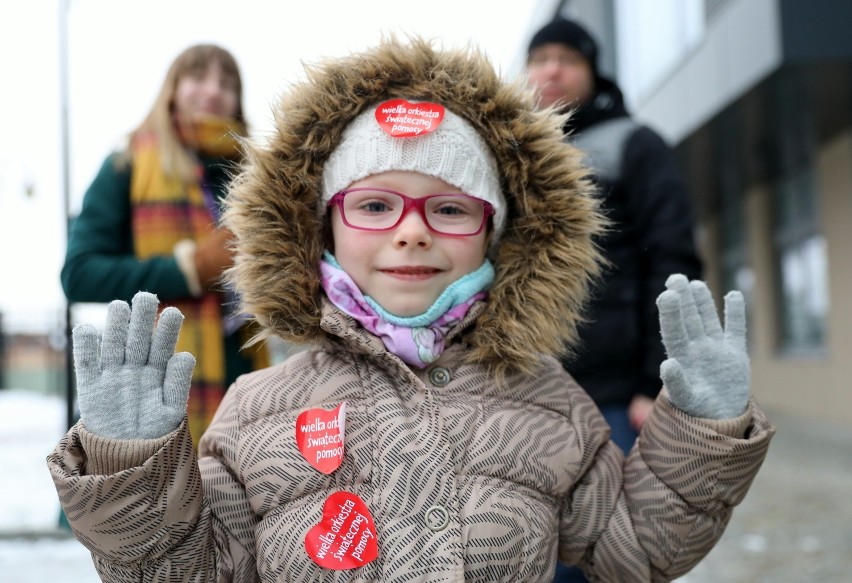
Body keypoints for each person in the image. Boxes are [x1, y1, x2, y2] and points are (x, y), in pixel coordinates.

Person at [48, 38, 774, 582]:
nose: (411, 229)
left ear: (499, 233)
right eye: (373, 203)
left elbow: (636, 546)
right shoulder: (255, 409)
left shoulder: (551, 401)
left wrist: (698, 434)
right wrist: (133, 468)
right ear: (321, 226)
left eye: (451, 207)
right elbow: (184, 568)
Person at [60, 44, 268, 443]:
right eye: (197, 77)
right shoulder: (127, 165)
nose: (212, 90)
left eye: (227, 83)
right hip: (145, 386)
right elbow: (79, 274)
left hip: (243, 382)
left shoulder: (258, 178)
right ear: (172, 89)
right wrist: (188, 270)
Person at [527, 17, 704, 454]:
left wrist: (656, 379)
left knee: (620, 519)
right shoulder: (511, 152)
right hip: (529, 389)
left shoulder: (635, 145)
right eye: (540, 59)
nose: (552, 70)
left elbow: (673, 261)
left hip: (618, 395)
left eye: (567, 59)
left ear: (592, 71)